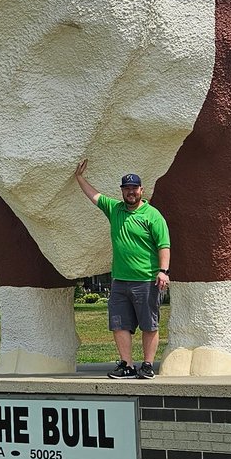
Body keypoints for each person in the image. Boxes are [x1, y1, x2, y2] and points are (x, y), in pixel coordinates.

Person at [74, 161, 170, 379]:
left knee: (149, 324)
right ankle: (126, 365)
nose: (131, 192)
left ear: (141, 190)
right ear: (122, 191)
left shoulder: (152, 215)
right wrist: (79, 178)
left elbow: (164, 245)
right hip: (120, 281)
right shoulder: (115, 209)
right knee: (119, 324)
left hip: (146, 280)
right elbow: (94, 196)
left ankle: (147, 365)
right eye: (127, 188)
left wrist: (163, 271)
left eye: (134, 188)